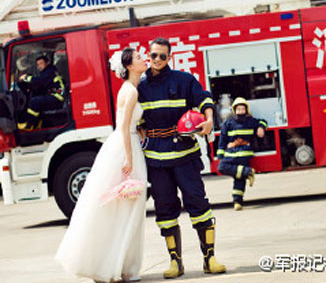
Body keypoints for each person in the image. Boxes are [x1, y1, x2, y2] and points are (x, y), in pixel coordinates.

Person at [55, 48, 148, 282]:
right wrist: (129, 157)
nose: (143, 59)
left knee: (121, 207)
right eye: (138, 58)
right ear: (128, 66)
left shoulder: (128, 89)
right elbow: (125, 126)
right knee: (127, 207)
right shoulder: (131, 91)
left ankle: (116, 265)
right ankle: (120, 267)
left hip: (123, 144)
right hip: (126, 147)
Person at [137, 37, 226, 279]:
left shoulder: (184, 80)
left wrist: (208, 120)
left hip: (184, 154)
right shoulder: (140, 87)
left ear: (169, 58)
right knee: (164, 209)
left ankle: (210, 258)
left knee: (198, 202)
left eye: (162, 56)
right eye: (153, 55)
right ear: (148, 54)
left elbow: (205, 98)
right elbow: (133, 120)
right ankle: (175, 262)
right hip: (156, 158)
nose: (157, 60)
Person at [217, 97, 267, 211]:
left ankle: (237, 202)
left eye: (242, 109)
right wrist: (220, 153)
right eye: (238, 109)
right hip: (231, 153)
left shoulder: (250, 121)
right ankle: (247, 173)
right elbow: (222, 139)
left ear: (246, 110)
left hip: (244, 152)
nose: (240, 111)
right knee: (226, 169)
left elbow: (262, 121)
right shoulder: (228, 123)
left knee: (238, 176)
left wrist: (261, 127)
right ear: (234, 110)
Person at [17, 54, 64, 130]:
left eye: (41, 63)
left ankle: (29, 124)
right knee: (36, 98)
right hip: (54, 95)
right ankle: (38, 123)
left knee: (35, 102)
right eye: (38, 65)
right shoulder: (48, 71)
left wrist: (25, 77)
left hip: (57, 97)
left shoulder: (49, 71)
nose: (39, 66)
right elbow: (42, 85)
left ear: (47, 63)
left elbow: (40, 81)